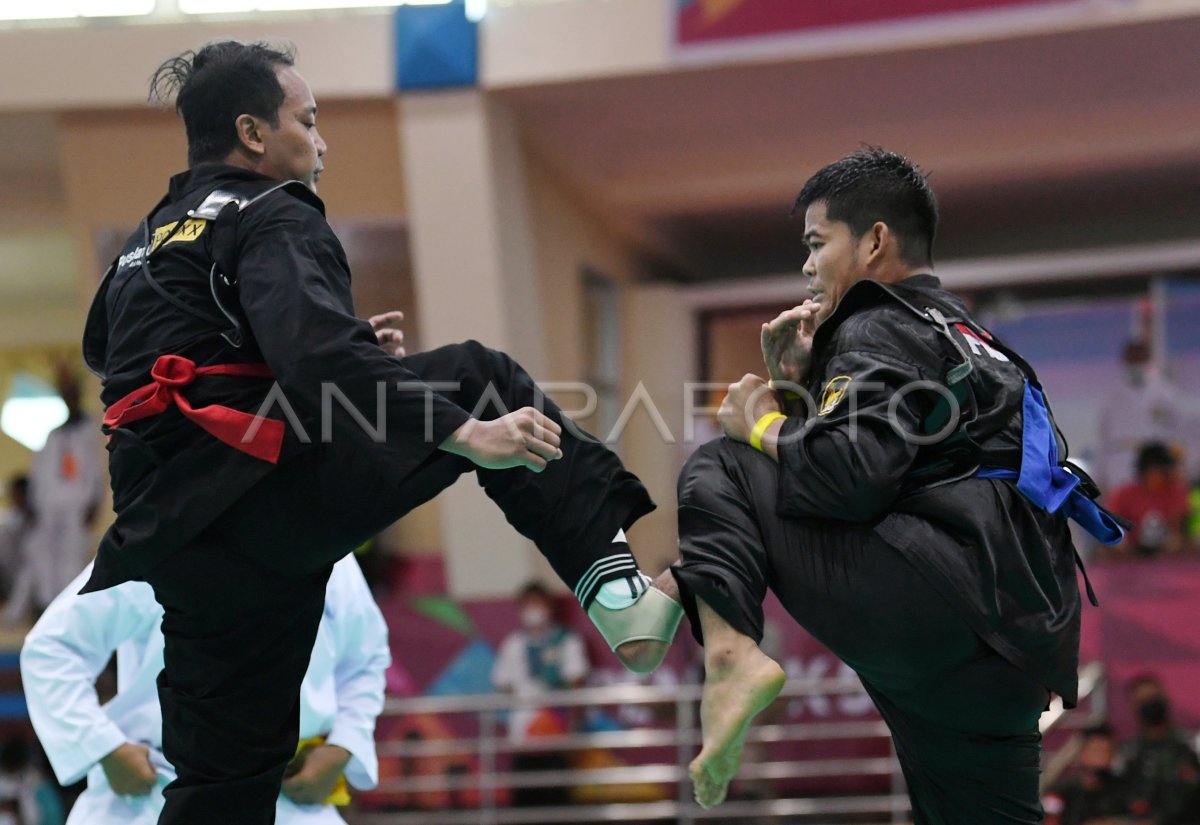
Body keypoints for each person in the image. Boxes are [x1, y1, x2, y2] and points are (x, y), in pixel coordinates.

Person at [81, 40, 679, 824]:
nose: (321, 141)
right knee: (480, 379)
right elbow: (320, 360)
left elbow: (128, 356)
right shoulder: (272, 212)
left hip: (178, 545)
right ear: (254, 134)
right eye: (309, 120)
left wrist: (331, 353)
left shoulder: (139, 245)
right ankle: (620, 598)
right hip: (258, 501)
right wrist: (465, 432)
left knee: (222, 781)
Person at [666, 148, 1124, 820]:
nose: (806, 265)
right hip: (1018, 645)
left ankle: (731, 650)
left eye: (816, 244)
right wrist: (803, 388)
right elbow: (897, 465)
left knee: (724, 462)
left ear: (875, 239)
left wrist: (761, 415)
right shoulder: (975, 338)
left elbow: (848, 478)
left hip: (945, 608)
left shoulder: (875, 319)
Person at [21, 553, 388, 825]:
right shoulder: (159, 536)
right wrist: (103, 747)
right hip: (154, 790)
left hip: (291, 792)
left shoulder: (332, 553)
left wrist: (344, 745)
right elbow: (53, 648)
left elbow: (365, 659)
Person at [4, 371, 104, 627]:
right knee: (41, 558)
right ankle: (47, 610)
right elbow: (40, 472)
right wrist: (34, 504)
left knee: (72, 559)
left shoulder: (90, 430)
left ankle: (70, 613)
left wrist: (95, 501)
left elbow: (98, 469)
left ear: (78, 395)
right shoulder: (53, 434)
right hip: (48, 506)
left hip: (76, 506)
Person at [492, 581, 590, 808]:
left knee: (556, 797)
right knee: (525, 798)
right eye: (527, 606)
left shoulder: (567, 641)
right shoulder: (514, 644)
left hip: (556, 728)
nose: (533, 611)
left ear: (549, 607)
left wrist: (574, 726)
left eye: (537, 604)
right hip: (523, 733)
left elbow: (577, 682)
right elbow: (502, 682)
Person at [1119, 674, 1200, 825]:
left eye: (1154, 698)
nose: (1151, 705)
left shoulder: (1190, 745)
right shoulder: (1127, 752)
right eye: (1143, 701)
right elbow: (1123, 797)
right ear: (1132, 706)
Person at [1042, 725, 1150, 825]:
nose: (1101, 758)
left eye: (1107, 751)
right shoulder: (1060, 792)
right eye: (1096, 751)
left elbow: (1146, 819)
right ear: (1082, 753)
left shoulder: (1125, 789)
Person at [1107, 442, 1192, 556]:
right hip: (1131, 554)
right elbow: (1110, 525)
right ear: (1142, 471)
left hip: (1166, 555)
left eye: (1161, 471)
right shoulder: (1123, 494)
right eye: (1153, 471)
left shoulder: (1177, 492)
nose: (1157, 476)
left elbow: (1179, 530)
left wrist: (1175, 542)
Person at [0, 475, 34, 600]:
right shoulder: (12, 520)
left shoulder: (39, 522)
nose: (13, 498)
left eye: (16, 494)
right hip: (9, 572)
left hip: (27, 576)